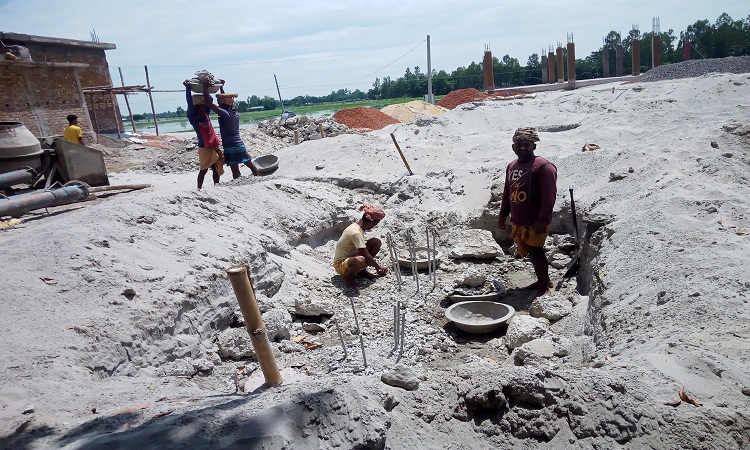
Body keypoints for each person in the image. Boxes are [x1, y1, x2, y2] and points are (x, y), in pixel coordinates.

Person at [497, 127, 558, 296]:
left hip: (536, 220)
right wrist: (503, 215)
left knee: (537, 251)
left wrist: (542, 220)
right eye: (519, 144)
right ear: (513, 147)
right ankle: (542, 279)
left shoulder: (544, 167)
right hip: (520, 219)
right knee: (531, 251)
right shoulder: (511, 166)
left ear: (534, 146)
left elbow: (549, 196)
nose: (522, 147)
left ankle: (544, 286)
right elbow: (508, 192)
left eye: (526, 144)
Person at [205, 80, 259, 178]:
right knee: (249, 164)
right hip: (239, 144)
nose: (219, 105)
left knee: (235, 170)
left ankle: (239, 185)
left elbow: (209, 103)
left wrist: (205, 88)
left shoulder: (225, 114)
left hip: (230, 147)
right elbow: (225, 101)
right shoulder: (234, 113)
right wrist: (221, 87)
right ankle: (258, 178)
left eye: (220, 104)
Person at [333, 204, 389, 288]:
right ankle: (346, 276)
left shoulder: (357, 227)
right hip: (341, 264)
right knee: (360, 259)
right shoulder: (356, 232)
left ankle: (361, 271)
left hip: (351, 258)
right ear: (373, 223)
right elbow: (365, 255)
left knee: (375, 242)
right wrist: (378, 267)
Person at [183, 79, 224, 189]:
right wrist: (188, 88)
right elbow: (189, 103)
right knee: (204, 169)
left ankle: (217, 186)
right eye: (202, 105)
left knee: (216, 168)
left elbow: (209, 99)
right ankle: (199, 189)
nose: (205, 106)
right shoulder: (194, 118)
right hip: (204, 148)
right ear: (197, 107)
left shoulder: (206, 114)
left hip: (213, 146)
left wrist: (208, 87)